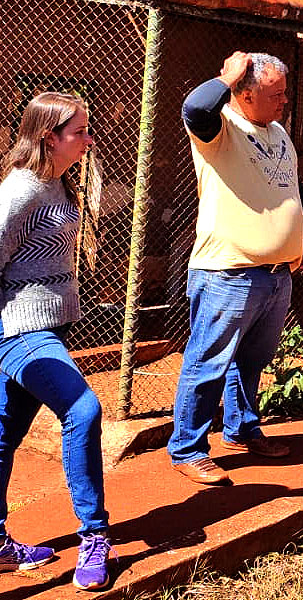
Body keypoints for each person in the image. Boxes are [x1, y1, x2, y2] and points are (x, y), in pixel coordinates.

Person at [168, 52, 303, 485]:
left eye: (284, 93)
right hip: (227, 272)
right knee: (207, 362)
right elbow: (194, 108)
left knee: (253, 360)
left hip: (276, 274)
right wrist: (226, 77)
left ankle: (242, 429)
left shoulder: (278, 134)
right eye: (276, 94)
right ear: (245, 94)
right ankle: (187, 448)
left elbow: (296, 190)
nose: (284, 101)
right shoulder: (220, 129)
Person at [0, 93, 110, 589]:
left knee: (4, 433)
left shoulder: (56, 182)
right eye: (80, 132)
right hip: (21, 329)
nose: (89, 139)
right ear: (49, 136)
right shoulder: (21, 190)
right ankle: (94, 535)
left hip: (48, 324)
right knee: (83, 411)